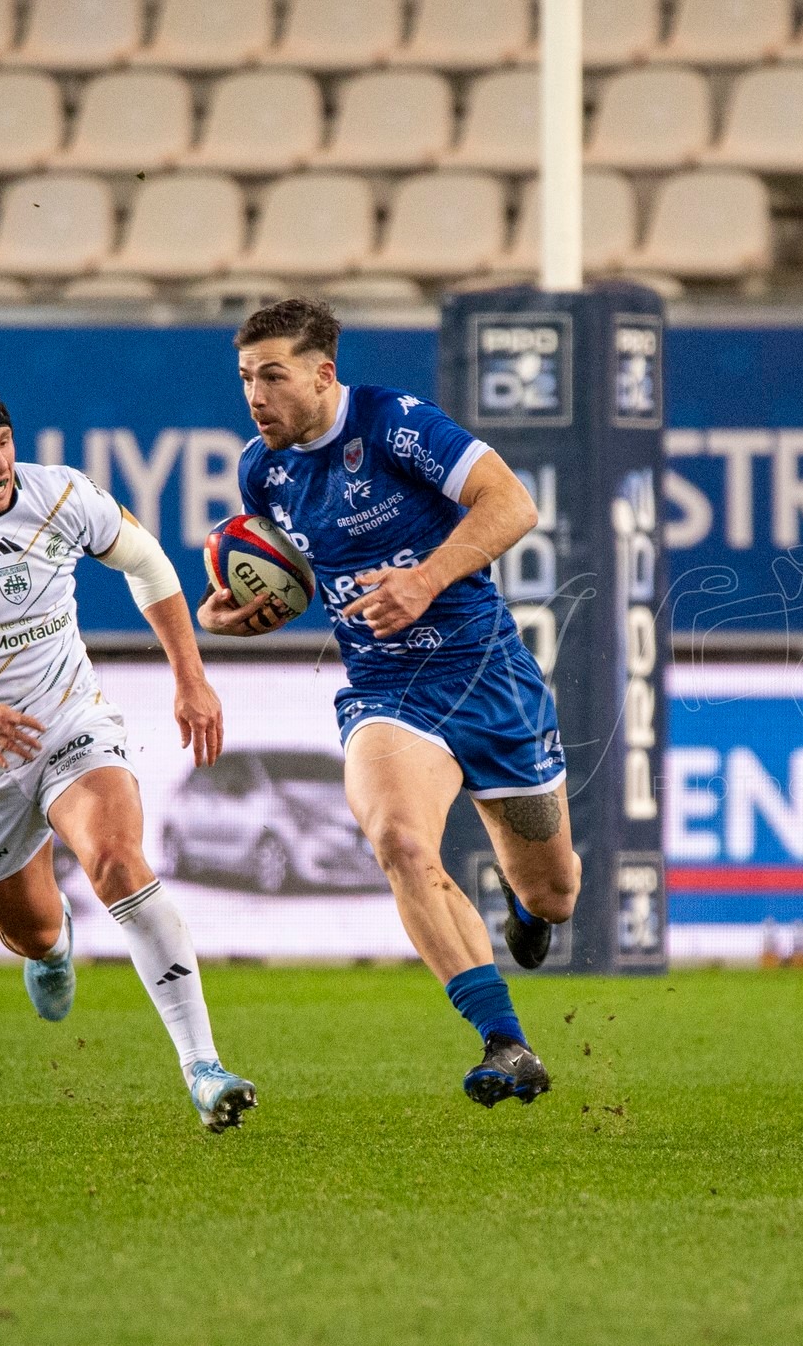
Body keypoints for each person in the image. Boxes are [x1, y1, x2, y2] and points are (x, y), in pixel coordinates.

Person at [199, 297, 579, 1108]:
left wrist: (424, 579)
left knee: (556, 891)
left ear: (323, 373)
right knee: (400, 841)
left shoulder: (397, 423)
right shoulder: (261, 473)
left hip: (488, 677)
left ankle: (525, 902)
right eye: (244, 379)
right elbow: (294, 579)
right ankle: (505, 1041)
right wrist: (235, 613)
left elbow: (513, 504)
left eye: (273, 376)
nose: (255, 396)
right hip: (385, 690)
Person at [0, 375, 256, 1131]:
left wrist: (191, 678)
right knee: (30, 927)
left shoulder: (62, 494)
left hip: (71, 720)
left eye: (3, 441)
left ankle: (202, 1066)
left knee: (116, 861)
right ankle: (50, 947)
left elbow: (150, 563)